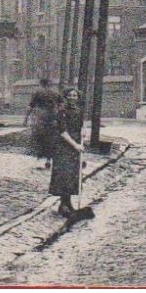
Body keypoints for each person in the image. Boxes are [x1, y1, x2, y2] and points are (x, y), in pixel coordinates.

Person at [50, 86, 86, 217]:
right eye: (69, 95)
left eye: (74, 95)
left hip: (75, 146)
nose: (72, 98)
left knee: (72, 175)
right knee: (63, 175)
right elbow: (62, 132)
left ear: (78, 98)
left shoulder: (78, 110)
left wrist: (83, 132)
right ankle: (63, 205)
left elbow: (81, 126)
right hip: (63, 146)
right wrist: (75, 145)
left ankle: (68, 203)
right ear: (65, 97)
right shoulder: (61, 111)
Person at [28, 77, 63, 171]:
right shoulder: (56, 93)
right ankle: (48, 160)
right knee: (51, 139)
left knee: (39, 137)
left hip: (40, 117)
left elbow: (31, 106)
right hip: (52, 117)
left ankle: (39, 158)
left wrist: (26, 118)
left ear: (41, 84)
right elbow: (61, 105)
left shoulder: (37, 92)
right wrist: (58, 114)